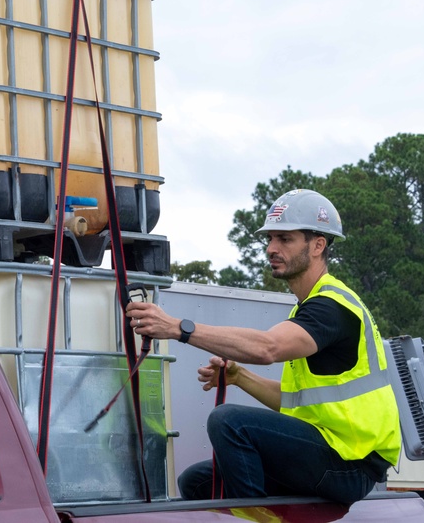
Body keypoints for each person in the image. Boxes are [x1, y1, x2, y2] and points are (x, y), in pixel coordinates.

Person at [125, 189, 401, 505]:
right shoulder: (308, 308)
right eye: (269, 239)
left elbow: (267, 347)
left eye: (285, 239)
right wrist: (239, 376)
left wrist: (176, 328)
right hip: (332, 453)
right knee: (199, 482)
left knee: (227, 420)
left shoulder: (331, 307)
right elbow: (293, 401)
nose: (271, 248)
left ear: (318, 245)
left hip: (350, 463)